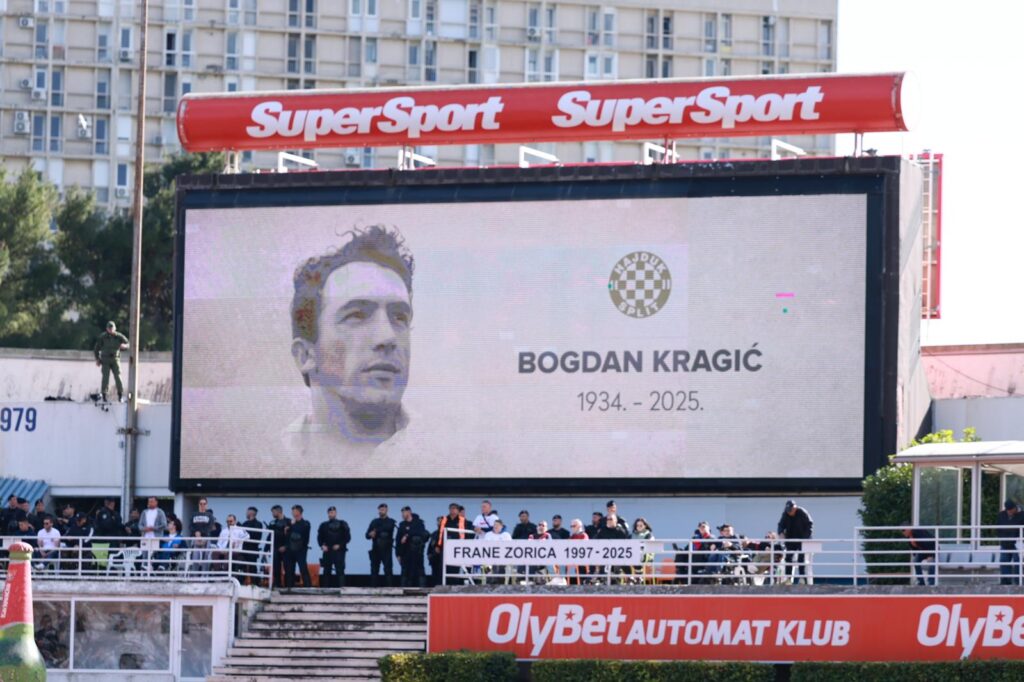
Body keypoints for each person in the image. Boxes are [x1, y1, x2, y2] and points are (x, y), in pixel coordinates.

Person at [285, 226, 415, 456]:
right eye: (356, 316)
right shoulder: (259, 461)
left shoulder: (450, 458)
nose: (387, 337)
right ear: (305, 355)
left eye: (399, 318)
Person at [777, 500, 813, 584]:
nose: (789, 512)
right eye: (788, 511)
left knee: (801, 558)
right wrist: (781, 532)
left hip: (802, 539)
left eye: (790, 510)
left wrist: (805, 539)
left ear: (795, 508)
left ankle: (802, 578)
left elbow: (810, 525)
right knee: (788, 558)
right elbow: (780, 525)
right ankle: (788, 579)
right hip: (791, 539)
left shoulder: (802, 512)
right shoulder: (785, 514)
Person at [93, 321, 130, 402]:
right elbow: (96, 348)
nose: (111, 330)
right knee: (105, 378)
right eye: (109, 328)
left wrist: (125, 346)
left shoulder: (119, 336)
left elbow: (128, 344)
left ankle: (120, 395)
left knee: (118, 376)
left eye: (112, 328)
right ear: (107, 329)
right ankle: (104, 395)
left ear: (115, 328)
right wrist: (97, 359)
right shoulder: (102, 337)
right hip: (105, 360)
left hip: (115, 359)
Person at [437, 503, 472, 584]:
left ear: (457, 510)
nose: (452, 510)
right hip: (445, 547)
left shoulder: (463, 520)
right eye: (451, 508)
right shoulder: (444, 520)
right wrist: (438, 545)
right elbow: (440, 533)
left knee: (455, 568)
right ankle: (444, 585)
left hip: (457, 547)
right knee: (443, 567)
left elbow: (468, 533)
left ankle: (453, 585)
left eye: (454, 508)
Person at [317, 506, 351, 588]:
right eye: (329, 512)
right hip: (327, 551)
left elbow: (348, 538)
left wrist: (340, 545)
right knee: (326, 571)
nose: (331, 514)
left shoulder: (343, 524)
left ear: (336, 513)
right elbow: (319, 538)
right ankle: (325, 590)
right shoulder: (323, 525)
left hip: (339, 551)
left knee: (340, 571)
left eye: (332, 512)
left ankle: (342, 589)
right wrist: (322, 546)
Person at [395, 506, 429, 588]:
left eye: (404, 512)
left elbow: (420, 532)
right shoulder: (402, 525)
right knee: (405, 572)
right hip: (405, 552)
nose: (402, 515)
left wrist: (407, 535)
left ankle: (422, 589)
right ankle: (403, 589)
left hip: (417, 552)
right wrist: (398, 554)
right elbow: (398, 540)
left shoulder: (419, 523)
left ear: (409, 512)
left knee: (420, 570)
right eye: (402, 513)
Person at [366, 503, 396, 587]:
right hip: (376, 548)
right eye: (380, 509)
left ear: (387, 510)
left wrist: (376, 531)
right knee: (374, 569)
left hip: (386, 549)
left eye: (383, 509)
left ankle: (390, 588)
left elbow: (388, 528)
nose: (381, 511)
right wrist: (370, 534)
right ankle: (373, 588)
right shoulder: (374, 521)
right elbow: (367, 535)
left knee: (388, 569)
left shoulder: (391, 521)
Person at [283, 505, 312, 588]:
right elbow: (286, 535)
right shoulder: (289, 523)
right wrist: (288, 527)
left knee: (303, 568)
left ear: (299, 512)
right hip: (290, 549)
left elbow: (300, 532)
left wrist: (292, 526)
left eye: (294, 511)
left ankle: (308, 587)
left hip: (301, 549)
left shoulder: (305, 523)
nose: (293, 513)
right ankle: (289, 587)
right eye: (292, 511)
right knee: (289, 569)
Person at [997, 500, 1023, 585]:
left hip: (1018, 543)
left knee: (1018, 561)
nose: (1010, 512)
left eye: (1011, 510)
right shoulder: (1001, 515)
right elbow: (998, 527)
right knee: (1004, 560)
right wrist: (1001, 537)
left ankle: (1018, 581)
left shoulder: (1022, 515)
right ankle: (1006, 581)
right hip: (1005, 542)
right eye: (1008, 510)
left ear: (1015, 508)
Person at [139, 497, 167, 572]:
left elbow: (164, 524)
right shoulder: (144, 512)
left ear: (156, 502)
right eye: (149, 501)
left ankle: (154, 569)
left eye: (152, 501)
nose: (150, 503)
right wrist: (144, 529)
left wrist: (154, 528)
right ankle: (145, 568)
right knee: (145, 553)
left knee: (155, 553)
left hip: (156, 537)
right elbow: (140, 525)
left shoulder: (160, 512)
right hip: (145, 536)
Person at [267, 505, 291, 588]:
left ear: (278, 511)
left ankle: (288, 585)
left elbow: (290, 536)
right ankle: (277, 584)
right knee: (276, 567)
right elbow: (270, 536)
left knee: (287, 567)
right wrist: (266, 548)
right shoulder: (273, 522)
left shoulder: (288, 521)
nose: (272, 514)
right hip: (275, 548)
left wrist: (286, 546)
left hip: (286, 548)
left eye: (273, 512)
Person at [239, 507, 264, 585]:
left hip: (253, 548)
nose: (246, 514)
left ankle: (255, 583)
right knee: (241, 565)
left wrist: (245, 531)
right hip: (244, 548)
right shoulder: (245, 523)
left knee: (253, 567)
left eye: (247, 512)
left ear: (251, 513)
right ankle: (241, 582)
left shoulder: (258, 524)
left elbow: (256, 536)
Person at [483, 519, 513, 584]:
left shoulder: (506, 535)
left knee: (499, 567)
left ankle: (499, 583)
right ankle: (488, 581)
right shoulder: (488, 534)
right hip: (489, 558)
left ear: (501, 526)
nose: (495, 526)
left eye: (497, 525)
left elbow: (509, 547)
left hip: (502, 558)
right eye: (494, 525)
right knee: (487, 566)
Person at [631, 518, 654, 584]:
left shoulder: (649, 535)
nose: (639, 527)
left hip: (647, 555)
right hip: (633, 554)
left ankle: (638, 577)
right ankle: (630, 578)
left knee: (639, 555)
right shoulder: (632, 535)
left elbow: (646, 546)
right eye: (637, 525)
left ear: (645, 526)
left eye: (641, 525)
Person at [568, 519, 590, 584]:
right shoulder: (572, 536)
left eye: (574, 526)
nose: (572, 528)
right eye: (571, 526)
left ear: (579, 526)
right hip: (573, 559)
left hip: (583, 560)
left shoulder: (584, 535)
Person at [428, 516, 445, 586]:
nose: (439, 523)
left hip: (443, 558)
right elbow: (430, 545)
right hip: (434, 558)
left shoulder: (447, 533)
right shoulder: (434, 534)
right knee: (434, 575)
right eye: (438, 521)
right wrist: (429, 554)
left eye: (441, 521)